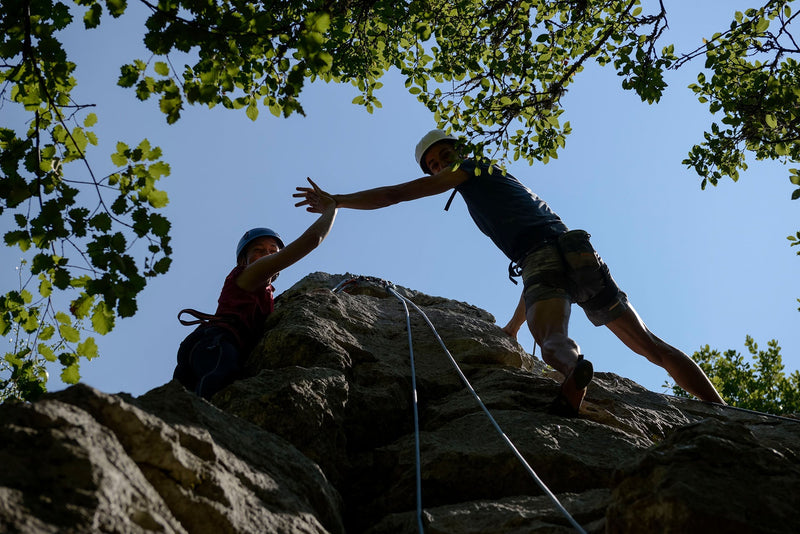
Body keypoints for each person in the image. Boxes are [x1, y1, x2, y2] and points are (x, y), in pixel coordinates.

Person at [294, 129, 725, 416]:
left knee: (553, 340)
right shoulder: (501, 181)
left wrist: (338, 199)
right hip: (578, 253)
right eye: (435, 163)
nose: (442, 165)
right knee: (651, 346)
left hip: (544, 255)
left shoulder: (473, 170)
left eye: (445, 157)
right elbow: (541, 274)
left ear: (458, 156)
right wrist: (514, 326)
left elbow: (396, 194)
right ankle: (722, 411)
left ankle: (573, 373)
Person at [174, 178, 337, 399]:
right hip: (217, 344)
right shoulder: (246, 275)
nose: (268, 254)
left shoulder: (263, 293)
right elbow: (312, 239)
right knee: (218, 387)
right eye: (259, 250)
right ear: (244, 261)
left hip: (209, 347)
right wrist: (331, 208)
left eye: (273, 249)